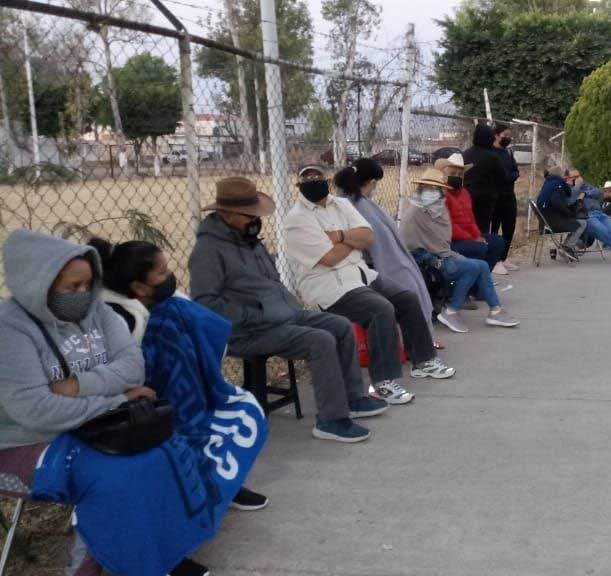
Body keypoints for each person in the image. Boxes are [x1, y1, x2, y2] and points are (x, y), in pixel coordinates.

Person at [0, 229, 244, 576]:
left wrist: (77, 386)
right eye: (71, 287)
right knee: (117, 475)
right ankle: (98, 568)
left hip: (91, 425)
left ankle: (161, 556)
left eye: (87, 285)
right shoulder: (11, 328)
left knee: (165, 453)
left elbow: (133, 368)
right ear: (37, 284)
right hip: (25, 440)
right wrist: (115, 400)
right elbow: (35, 409)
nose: (83, 294)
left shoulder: (95, 310)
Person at [189, 177, 388, 444]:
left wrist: (285, 305)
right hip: (247, 330)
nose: (254, 219)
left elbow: (272, 283)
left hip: (280, 315)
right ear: (225, 214)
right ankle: (330, 420)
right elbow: (205, 305)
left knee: (338, 326)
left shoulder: (250, 241)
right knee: (319, 340)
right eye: (248, 215)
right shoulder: (208, 250)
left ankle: (353, 399)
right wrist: (256, 314)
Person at [94, 237, 270, 509]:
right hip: (136, 406)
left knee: (226, 413)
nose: (170, 275)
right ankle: (202, 488)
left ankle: (224, 481)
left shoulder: (167, 303)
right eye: (162, 272)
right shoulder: (119, 320)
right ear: (139, 287)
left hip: (187, 391)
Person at [283, 166, 455, 406]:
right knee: (380, 309)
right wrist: (352, 241)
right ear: (299, 185)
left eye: (318, 177)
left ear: (327, 179)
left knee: (406, 297)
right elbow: (329, 258)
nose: (314, 181)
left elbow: (368, 237)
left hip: (361, 274)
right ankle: (382, 383)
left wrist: (340, 237)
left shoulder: (341, 204)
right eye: (307, 178)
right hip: (329, 285)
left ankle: (423, 360)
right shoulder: (296, 219)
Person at [399, 168, 520, 333]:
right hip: (428, 261)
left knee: (481, 265)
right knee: (474, 266)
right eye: (429, 188)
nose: (433, 192)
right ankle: (456, 311)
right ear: (421, 189)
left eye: (437, 188)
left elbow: (443, 241)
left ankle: (492, 311)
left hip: (443, 254)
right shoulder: (414, 213)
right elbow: (410, 244)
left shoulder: (438, 209)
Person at [336, 159, 440, 348]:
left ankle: (418, 341)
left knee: (411, 282)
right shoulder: (355, 205)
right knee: (409, 287)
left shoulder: (358, 202)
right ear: (371, 182)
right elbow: (374, 242)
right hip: (368, 267)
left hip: (377, 263)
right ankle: (416, 343)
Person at [439, 153, 506, 270]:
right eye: (453, 174)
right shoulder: (442, 194)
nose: (457, 177)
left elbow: (471, 220)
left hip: (466, 237)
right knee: (479, 248)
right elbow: (449, 227)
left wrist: (477, 235)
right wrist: (472, 238)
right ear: (444, 175)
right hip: (450, 240)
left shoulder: (464, 193)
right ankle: (473, 277)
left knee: (498, 242)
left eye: (460, 174)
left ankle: (481, 277)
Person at [535, 164, 588, 262]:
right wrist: (568, 213)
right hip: (552, 223)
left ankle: (567, 247)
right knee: (582, 223)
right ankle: (567, 247)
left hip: (544, 222)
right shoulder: (557, 184)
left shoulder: (549, 183)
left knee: (576, 221)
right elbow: (557, 202)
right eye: (565, 174)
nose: (566, 177)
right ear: (561, 175)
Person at [462, 123, 505, 234]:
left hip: (466, 198)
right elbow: (502, 177)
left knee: (467, 229)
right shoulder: (493, 157)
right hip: (485, 201)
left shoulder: (466, 154)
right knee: (482, 230)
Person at [489, 123, 520, 274]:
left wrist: (509, 177)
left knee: (509, 227)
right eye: (505, 135)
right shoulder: (490, 152)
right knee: (494, 228)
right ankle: (494, 260)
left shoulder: (508, 152)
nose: (507, 138)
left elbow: (515, 171)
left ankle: (504, 257)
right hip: (495, 197)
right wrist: (506, 177)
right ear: (496, 135)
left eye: (509, 136)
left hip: (509, 195)